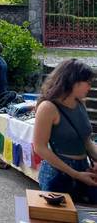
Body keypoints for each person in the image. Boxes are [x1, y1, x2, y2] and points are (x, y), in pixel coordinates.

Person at [34, 59, 97, 203]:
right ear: (74, 82)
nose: (90, 87)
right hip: (58, 173)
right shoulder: (48, 107)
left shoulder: (80, 102)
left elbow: (86, 140)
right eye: (88, 82)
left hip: (83, 169)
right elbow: (40, 148)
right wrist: (75, 174)